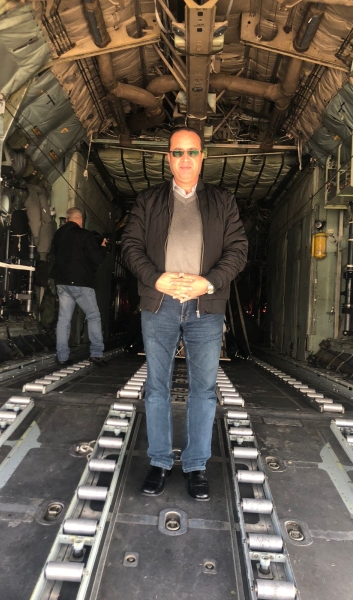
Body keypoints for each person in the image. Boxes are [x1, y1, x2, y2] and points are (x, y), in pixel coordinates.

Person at [121, 127, 248, 501]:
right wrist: (155, 278)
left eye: (192, 151)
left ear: (202, 157)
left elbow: (238, 250)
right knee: (156, 387)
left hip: (205, 307)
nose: (185, 159)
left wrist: (207, 283)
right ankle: (159, 461)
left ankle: (195, 466)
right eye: (178, 152)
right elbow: (130, 246)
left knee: (203, 390)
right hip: (159, 305)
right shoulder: (149, 200)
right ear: (169, 158)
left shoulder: (223, 201)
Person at [50, 206, 108, 367]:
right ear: (80, 219)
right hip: (81, 282)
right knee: (93, 316)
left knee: (64, 319)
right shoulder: (84, 234)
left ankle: (62, 356)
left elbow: (53, 254)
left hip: (62, 282)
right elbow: (97, 258)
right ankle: (96, 353)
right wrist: (103, 247)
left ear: (67, 219)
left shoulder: (58, 234)